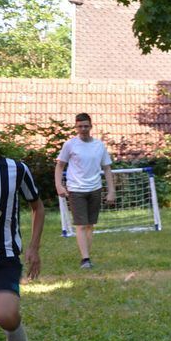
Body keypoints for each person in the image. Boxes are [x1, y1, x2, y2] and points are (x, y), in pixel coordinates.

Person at [0, 147, 45, 341]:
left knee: (5, 314)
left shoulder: (16, 169)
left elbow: (38, 207)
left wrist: (34, 248)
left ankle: (14, 327)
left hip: (5, 257)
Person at [54, 113, 115, 269]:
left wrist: (111, 191)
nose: (83, 129)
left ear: (91, 126)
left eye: (86, 126)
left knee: (90, 225)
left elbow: (107, 168)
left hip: (95, 188)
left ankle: (87, 255)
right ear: (76, 127)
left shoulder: (99, 145)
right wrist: (59, 186)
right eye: (80, 126)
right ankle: (85, 259)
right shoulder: (70, 145)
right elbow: (60, 166)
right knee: (81, 225)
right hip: (76, 189)